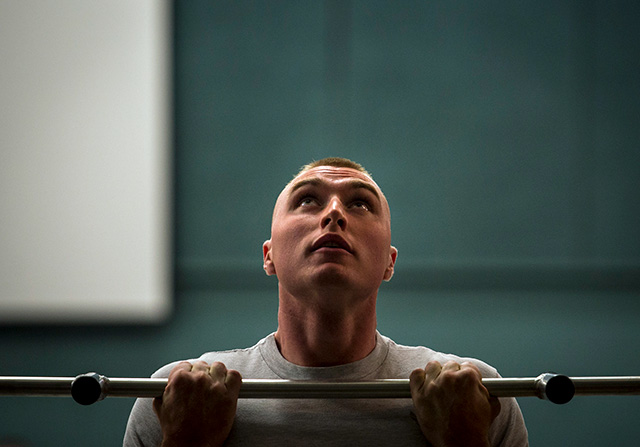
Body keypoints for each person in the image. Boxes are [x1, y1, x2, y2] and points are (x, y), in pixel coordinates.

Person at [123, 157, 528, 446]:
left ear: (389, 262)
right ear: (269, 256)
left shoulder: (478, 395)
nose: (334, 212)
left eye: (360, 203)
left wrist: (466, 441)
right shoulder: (172, 397)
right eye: (307, 200)